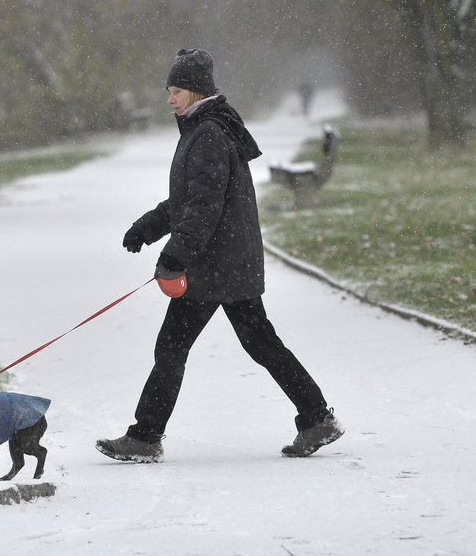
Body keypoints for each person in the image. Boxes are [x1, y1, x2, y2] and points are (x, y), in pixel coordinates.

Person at [96, 48, 343, 463]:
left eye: (176, 91)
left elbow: (204, 208)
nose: (169, 99)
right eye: (169, 90)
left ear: (195, 92)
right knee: (260, 343)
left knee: (174, 347)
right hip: (229, 261)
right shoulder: (204, 128)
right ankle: (317, 417)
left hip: (215, 265)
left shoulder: (207, 133)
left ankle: (146, 436)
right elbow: (189, 200)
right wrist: (150, 226)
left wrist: (175, 256)